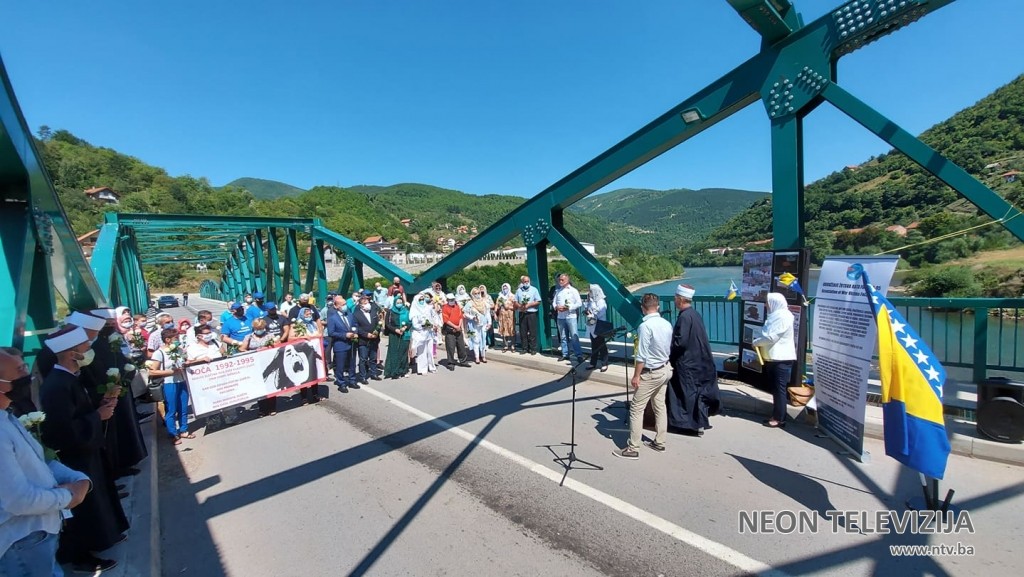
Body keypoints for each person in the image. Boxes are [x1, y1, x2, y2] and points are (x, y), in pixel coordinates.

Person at [38, 327, 129, 573]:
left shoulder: (68, 379)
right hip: (76, 456)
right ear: (72, 353)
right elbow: (62, 430)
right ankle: (82, 557)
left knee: (98, 498)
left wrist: (101, 405)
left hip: (87, 450)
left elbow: (77, 414)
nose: (89, 350)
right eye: (85, 347)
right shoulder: (57, 386)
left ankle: (107, 534)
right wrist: (97, 416)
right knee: (84, 509)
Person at [1, 349, 94, 577]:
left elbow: (37, 461)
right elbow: (18, 500)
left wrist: (78, 479)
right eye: (20, 370)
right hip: (21, 541)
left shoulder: (7, 416)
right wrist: (69, 496)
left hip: (37, 534)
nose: (27, 375)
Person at [613, 293, 673, 460]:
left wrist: (636, 376)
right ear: (658, 306)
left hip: (651, 372)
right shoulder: (666, 324)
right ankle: (660, 442)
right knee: (659, 405)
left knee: (636, 409)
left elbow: (642, 356)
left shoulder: (645, 326)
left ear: (642, 308)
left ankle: (633, 448)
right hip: (665, 368)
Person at [666, 284, 721, 436]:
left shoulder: (684, 317)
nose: (674, 300)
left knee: (684, 394)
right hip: (698, 360)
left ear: (680, 299)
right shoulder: (694, 314)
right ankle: (699, 422)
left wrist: (668, 351)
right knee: (695, 394)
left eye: (675, 298)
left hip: (687, 362)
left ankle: (686, 425)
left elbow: (680, 342)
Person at [754, 292, 797, 429]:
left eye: (767, 302)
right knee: (776, 388)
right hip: (773, 358)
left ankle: (779, 418)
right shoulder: (775, 315)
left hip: (781, 359)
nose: (766, 305)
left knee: (779, 389)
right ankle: (776, 415)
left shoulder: (783, 316)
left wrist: (756, 342)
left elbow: (771, 337)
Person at [148, 328, 193, 444]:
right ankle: (173, 433)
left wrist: (186, 363)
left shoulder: (179, 350)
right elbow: (152, 371)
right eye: (175, 338)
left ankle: (184, 430)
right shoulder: (159, 353)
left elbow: (184, 361)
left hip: (181, 381)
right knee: (171, 409)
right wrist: (170, 372)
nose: (178, 340)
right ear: (167, 340)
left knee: (183, 407)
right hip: (168, 383)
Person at [240, 319, 281, 415]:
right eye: (257, 328)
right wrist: (252, 353)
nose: (259, 330)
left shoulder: (270, 336)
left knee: (270, 385)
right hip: (256, 366)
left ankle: (272, 408)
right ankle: (262, 409)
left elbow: (278, 346)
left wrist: (271, 346)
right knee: (259, 387)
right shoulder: (248, 337)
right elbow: (242, 349)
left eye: (261, 328)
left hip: (268, 363)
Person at [327, 296, 357, 392]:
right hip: (340, 344)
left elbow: (355, 325)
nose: (345, 306)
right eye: (343, 305)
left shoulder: (350, 315)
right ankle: (341, 383)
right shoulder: (333, 318)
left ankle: (352, 380)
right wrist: (345, 335)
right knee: (340, 365)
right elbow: (331, 332)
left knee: (352, 363)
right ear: (336, 306)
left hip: (351, 343)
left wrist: (355, 332)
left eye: (345, 304)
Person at [553, 273, 584, 364]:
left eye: (562, 280)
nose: (560, 281)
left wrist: (569, 307)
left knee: (574, 336)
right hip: (560, 317)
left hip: (571, 316)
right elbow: (554, 302)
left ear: (567, 280)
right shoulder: (558, 291)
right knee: (563, 336)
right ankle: (565, 354)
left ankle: (578, 355)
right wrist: (556, 307)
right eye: (559, 280)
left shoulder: (573, 290)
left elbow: (579, 303)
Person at [352, 295, 382, 383]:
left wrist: (376, 332)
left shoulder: (373, 313)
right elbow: (356, 327)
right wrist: (366, 334)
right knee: (363, 359)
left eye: (368, 302)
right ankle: (363, 376)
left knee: (373, 358)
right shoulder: (356, 315)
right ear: (361, 305)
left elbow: (378, 324)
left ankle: (373, 373)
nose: (367, 304)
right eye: (365, 303)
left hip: (374, 339)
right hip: (363, 340)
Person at [440, 293, 472, 370]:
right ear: (447, 300)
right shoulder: (445, 308)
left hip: (458, 329)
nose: (452, 301)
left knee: (461, 346)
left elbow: (460, 317)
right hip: (450, 330)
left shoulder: (457, 307)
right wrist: (455, 326)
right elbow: (446, 320)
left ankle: (463, 361)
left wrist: (459, 326)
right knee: (450, 347)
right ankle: (451, 363)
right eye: (450, 300)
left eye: (453, 299)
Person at [383, 295, 411, 378]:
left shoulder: (406, 310)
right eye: (397, 302)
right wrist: (395, 330)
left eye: (400, 302)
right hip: (394, 334)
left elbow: (410, 322)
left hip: (404, 333)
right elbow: (387, 324)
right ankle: (393, 371)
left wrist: (405, 327)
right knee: (394, 352)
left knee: (403, 352)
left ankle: (403, 370)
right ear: (394, 303)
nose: (399, 304)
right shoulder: (390, 312)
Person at [410, 291, 438, 375]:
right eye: (420, 300)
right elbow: (415, 324)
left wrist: (434, 325)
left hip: (429, 333)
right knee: (422, 352)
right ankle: (422, 369)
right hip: (420, 334)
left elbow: (433, 316)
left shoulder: (427, 308)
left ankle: (432, 367)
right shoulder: (414, 311)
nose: (422, 301)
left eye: (423, 299)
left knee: (430, 351)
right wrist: (425, 325)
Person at [514, 276, 542, 354]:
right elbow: (515, 301)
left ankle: (533, 348)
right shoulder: (519, 291)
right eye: (525, 281)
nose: (526, 283)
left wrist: (529, 305)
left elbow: (538, 301)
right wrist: (520, 306)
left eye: (527, 281)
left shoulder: (534, 290)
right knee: (523, 331)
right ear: (522, 282)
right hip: (522, 313)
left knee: (532, 331)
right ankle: (524, 348)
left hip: (531, 313)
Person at [585, 284, 609, 372]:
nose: (589, 292)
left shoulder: (601, 301)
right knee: (594, 344)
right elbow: (588, 309)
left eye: (590, 291)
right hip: (592, 324)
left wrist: (592, 314)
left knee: (601, 345)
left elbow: (601, 312)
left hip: (599, 325)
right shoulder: (591, 300)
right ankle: (593, 362)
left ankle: (604, 363)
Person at [465, 288, 490, 363]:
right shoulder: (470, 303)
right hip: (473, 325)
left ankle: (483, 356)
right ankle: (477, 357)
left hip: (483, 324)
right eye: (475, 293)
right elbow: (465, 314)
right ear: (472, 294)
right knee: (475, 340)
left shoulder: (484, 302)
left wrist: (489, 323)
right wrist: (472, 317)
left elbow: (487, 313)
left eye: (478, 293)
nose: (477, 295)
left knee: (483, 339)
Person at [495, 283, 517, 352]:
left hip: (510, 315)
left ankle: (513, 345)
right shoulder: (500, 297)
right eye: (504, 288)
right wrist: (496, 313)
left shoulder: (513, 296)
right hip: (502, 315)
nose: (505, 289)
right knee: (504, 329)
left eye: (506, 288)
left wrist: (508, 307)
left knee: (511, 329)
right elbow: (497, 306)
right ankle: (505, 345)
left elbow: (515, 307)